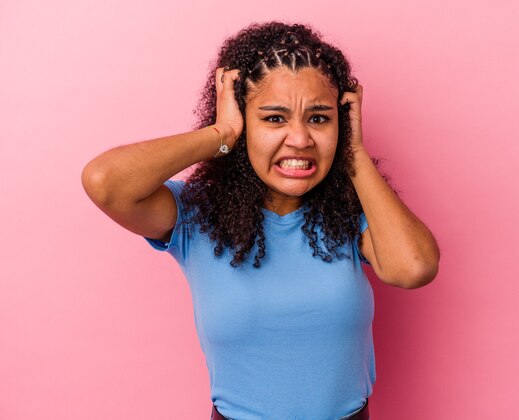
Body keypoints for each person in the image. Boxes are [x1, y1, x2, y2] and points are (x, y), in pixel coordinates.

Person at [81, 21, 439, 420]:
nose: (300, 139)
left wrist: (353, 154)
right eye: (273, 119)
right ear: (244, 122)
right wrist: (221, 132)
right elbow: (105, 182)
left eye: (319, 118)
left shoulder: (350, 217)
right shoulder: (194, 216)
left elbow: (415, 267)